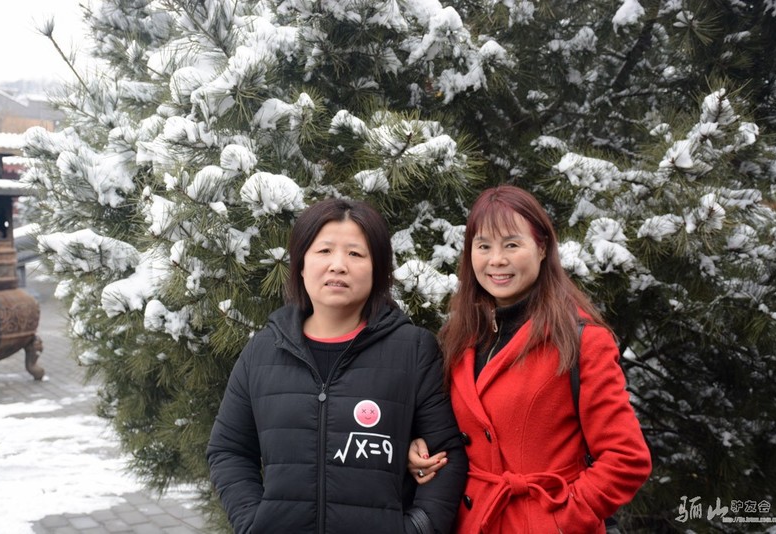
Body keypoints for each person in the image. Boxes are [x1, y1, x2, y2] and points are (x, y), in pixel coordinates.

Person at [207, 198, 467, 534]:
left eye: (355, 254)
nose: (338, 265)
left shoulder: (412, 350)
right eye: (324, 251)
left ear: (377, 269)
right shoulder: (263, 351)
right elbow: (228, 449)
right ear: (301, 264)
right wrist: (252, 523)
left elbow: (446, 454)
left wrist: (417, 528)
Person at [408, 185, 652, 533]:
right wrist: (419, 448)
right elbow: (451, 429)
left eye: (511, 244)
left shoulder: (580, 339)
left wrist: (558, 521)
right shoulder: (458, 337)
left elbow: (626, 459)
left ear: (541, 248)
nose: (496, 260)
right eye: (483, 246)